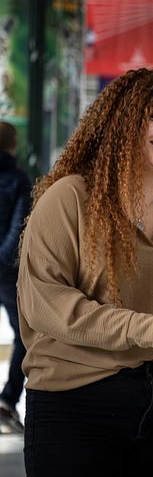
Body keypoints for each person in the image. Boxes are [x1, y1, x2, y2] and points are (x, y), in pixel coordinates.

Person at [16, 68, 153, 477]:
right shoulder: (70, 198)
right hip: (75, 404)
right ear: (123, 121)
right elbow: (47, 304)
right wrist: (152, 330)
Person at [0, 121, 31, 434]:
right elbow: (19, 228)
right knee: (24, 335)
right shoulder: (19, 179)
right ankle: (7, 400)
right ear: (12, 145)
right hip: (8, 272)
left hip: (6, 269)